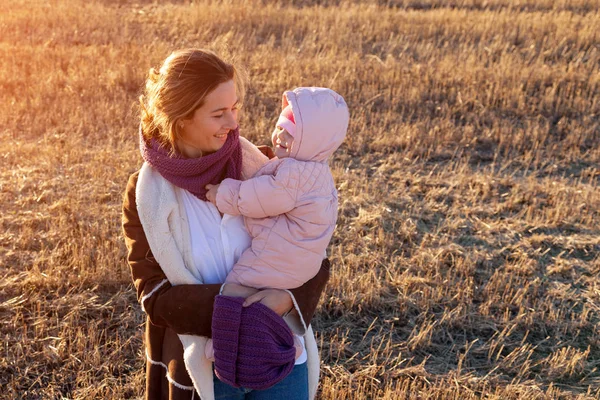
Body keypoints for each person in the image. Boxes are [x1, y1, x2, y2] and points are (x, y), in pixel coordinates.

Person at [121, 48, 331, 400]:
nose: (234, 124)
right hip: (207, 372)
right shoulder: (147, 195)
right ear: (181, 118)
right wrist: (238, 314)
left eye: (235, 108)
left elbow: (313, 250)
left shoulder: (266, 168)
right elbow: (154, 297)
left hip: (280, 356)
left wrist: (288, 298)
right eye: (218, 114)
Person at [203, 87, 348, 373]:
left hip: (281, 256)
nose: (280, 136)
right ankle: (285, 340)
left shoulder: (294, 174)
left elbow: (258, 199)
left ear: (311, 141)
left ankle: (222, 345)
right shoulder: (317, 170)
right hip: (302, 259)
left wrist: (223, 194)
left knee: (234, 288)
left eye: (291, 134)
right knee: (260, 302)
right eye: (280, 127)